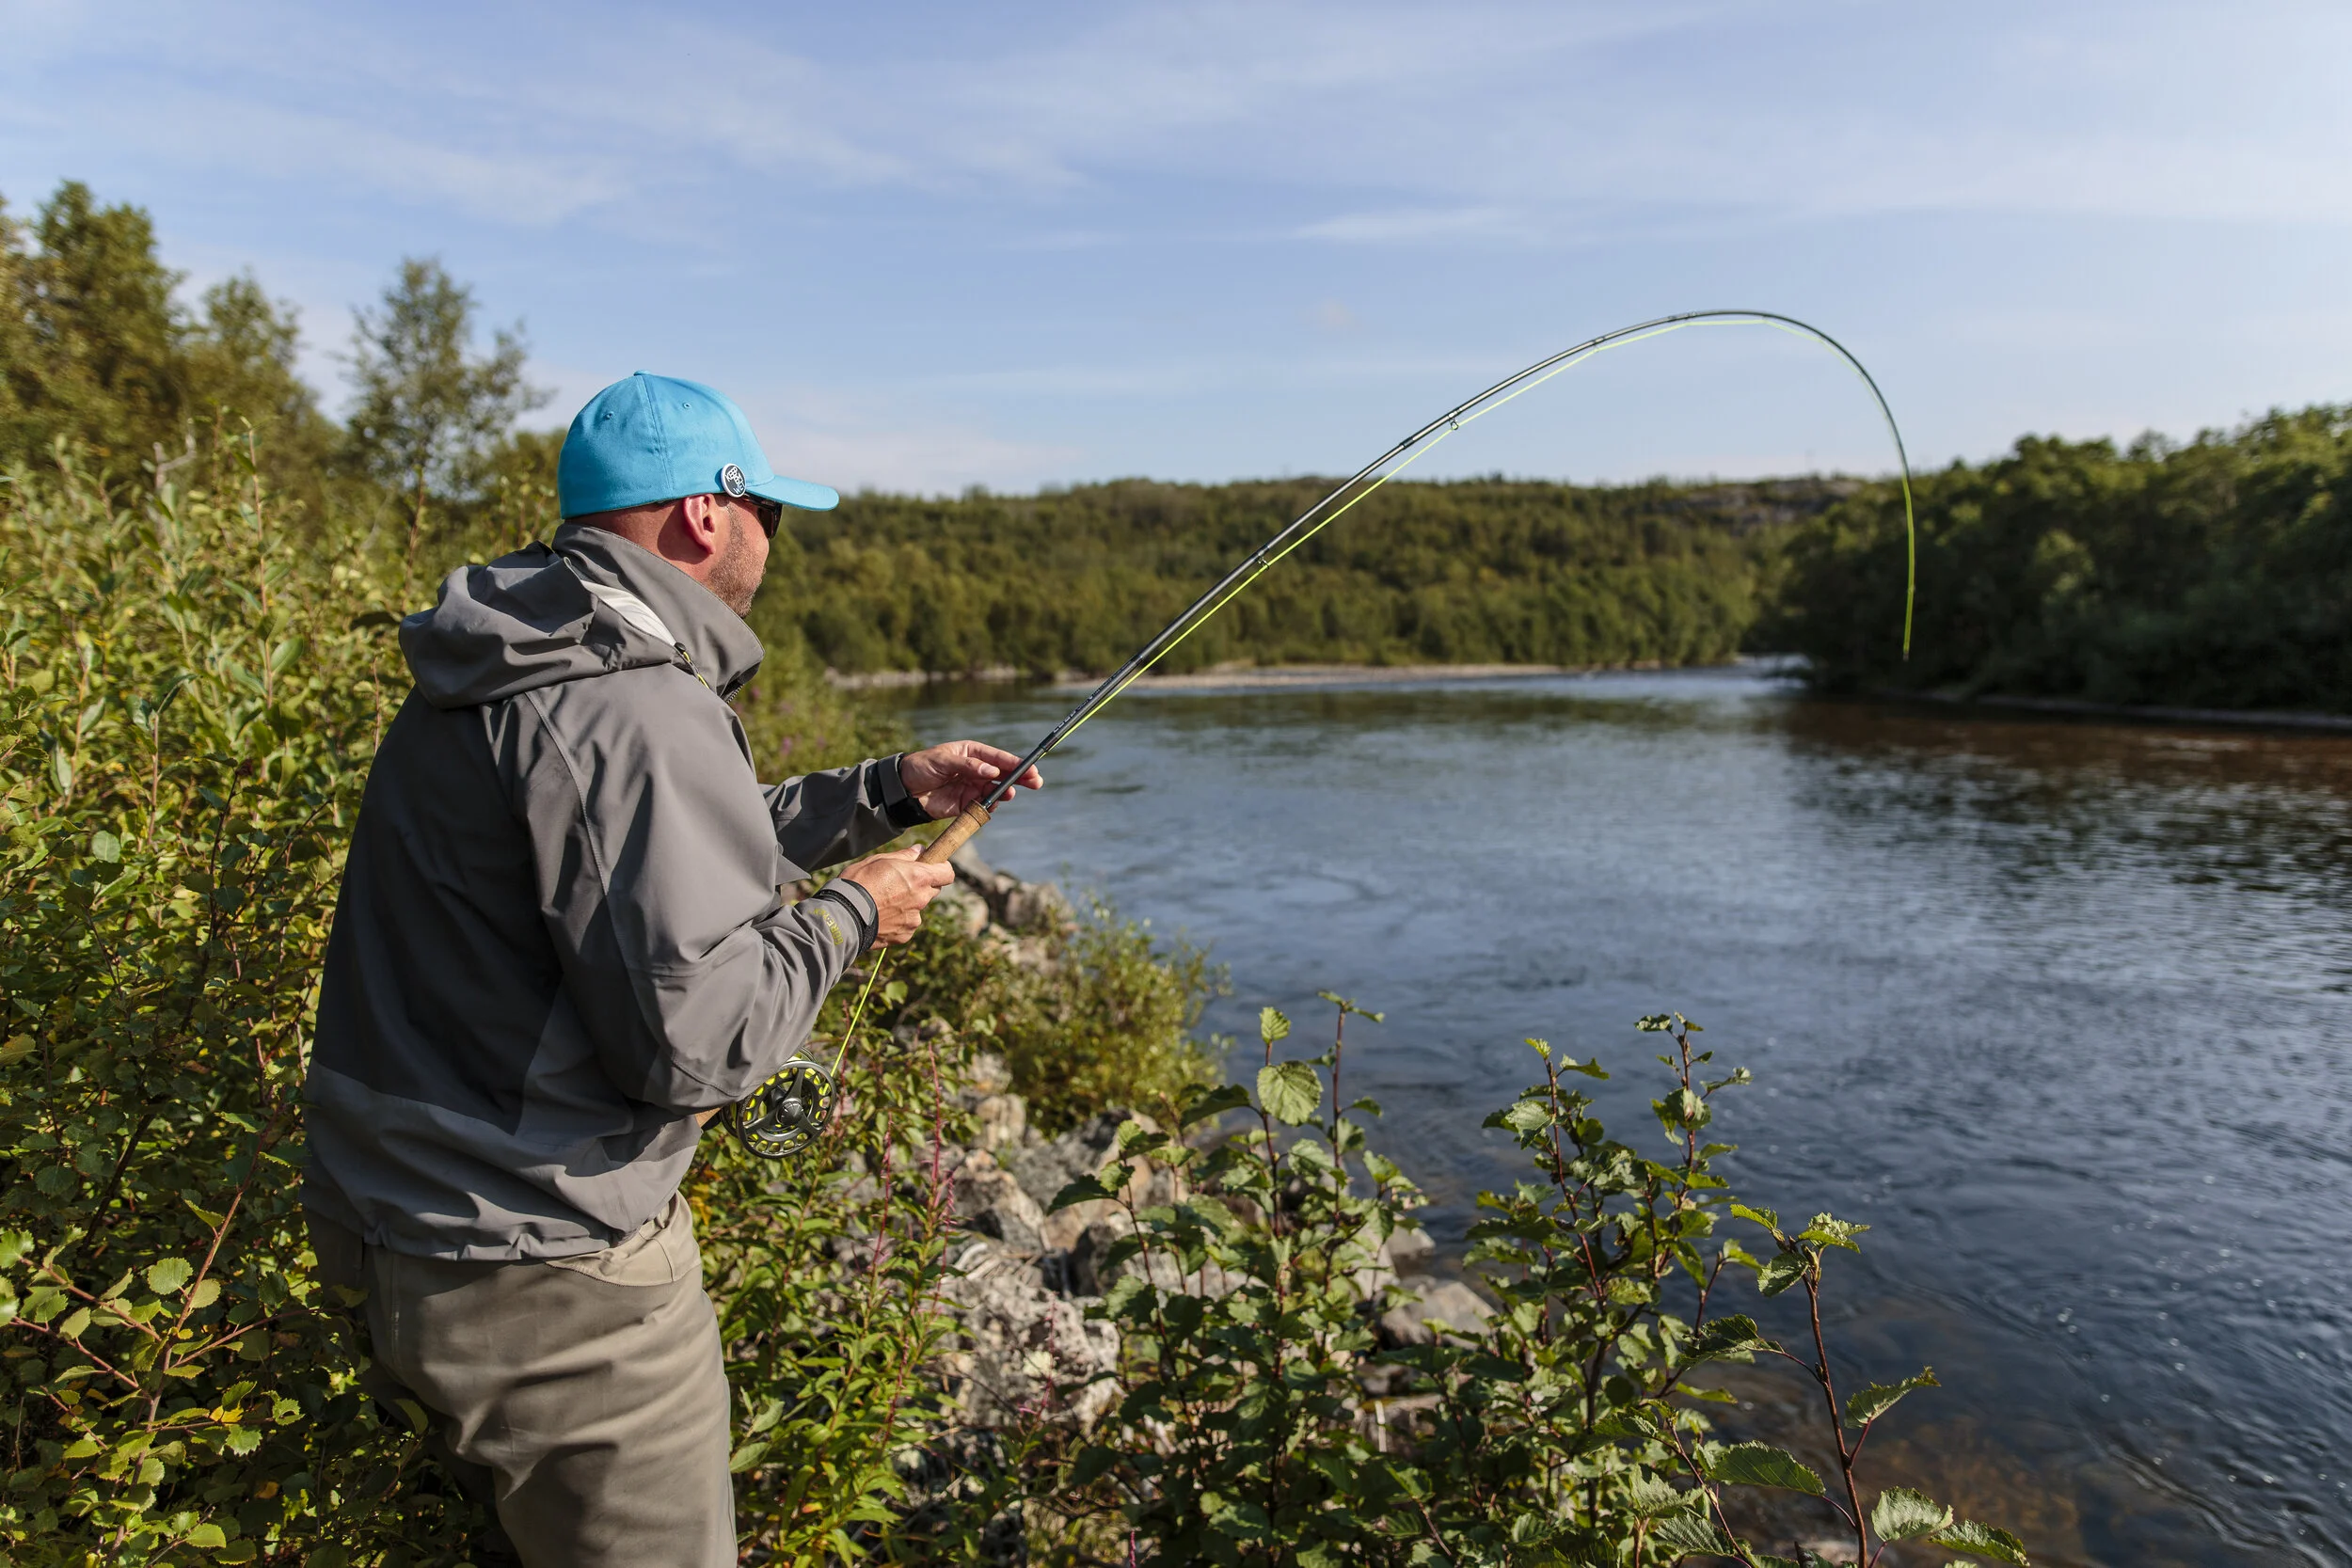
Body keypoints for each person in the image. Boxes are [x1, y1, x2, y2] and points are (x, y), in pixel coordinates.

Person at [301, 372, 1041, 1567]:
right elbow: (698, 1044)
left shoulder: (503, 660)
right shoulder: (631, 705)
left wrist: (882, 792)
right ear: (708, 515)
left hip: (387, 1228)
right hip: (549, 1284)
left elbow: (629, 861)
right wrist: (857, 909)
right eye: (773, 517)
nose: (771, 546)